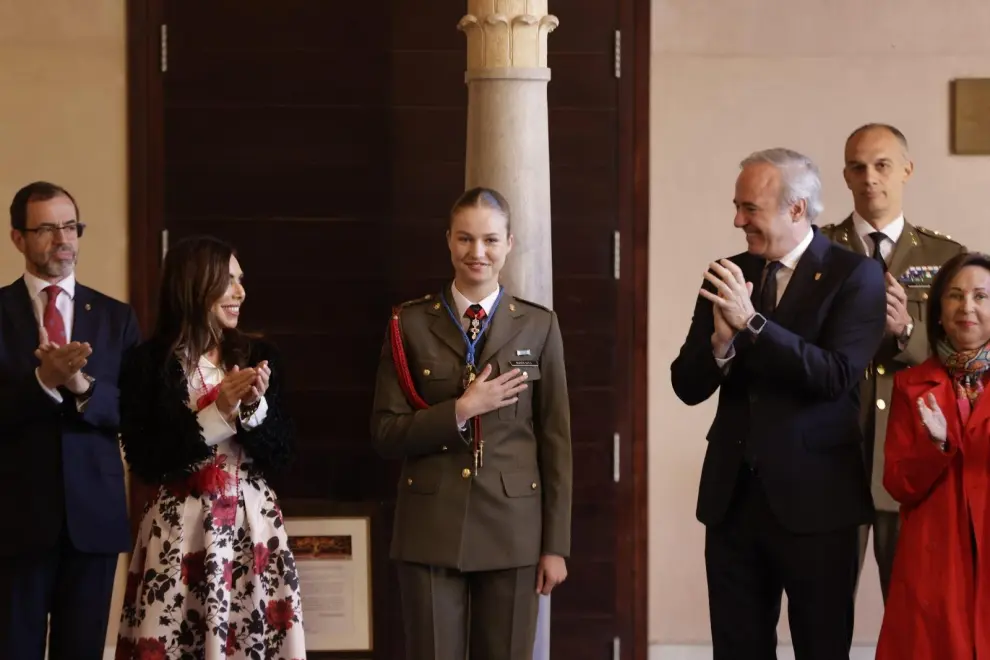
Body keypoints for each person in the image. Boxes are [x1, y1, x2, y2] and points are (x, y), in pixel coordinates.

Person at [670, 148, 887, 660]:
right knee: (737, 648)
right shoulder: (726, 273)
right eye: (737, 206)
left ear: (796, 210)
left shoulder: (854, 276)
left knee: (821, 647)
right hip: (733, 502)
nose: (737, 220)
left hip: (817, 503)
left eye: (750, 209)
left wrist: (753, 325)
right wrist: (720, 347)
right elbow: (686, 384)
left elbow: (834, 376)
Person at [370, 187, 572, 660]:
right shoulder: (409, 324)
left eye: (489, 240)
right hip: (430, 528)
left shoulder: (539, 326)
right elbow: (385, 433)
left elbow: (555, 440)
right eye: (465, 239)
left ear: (509, 244)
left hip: (514, 531)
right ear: (448, 241)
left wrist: (555, 545)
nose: (476, 253)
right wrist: (461, 410)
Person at [115, 236, 305, 659]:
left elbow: (284, 453)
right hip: (178, 531)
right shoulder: (147, 363)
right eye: (229, 280)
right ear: (194, 285)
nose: (241, 292)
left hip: (250, 525)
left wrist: (254, 408)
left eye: (241, 280)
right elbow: (146, 459)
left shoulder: (261, 354)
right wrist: (217, 411)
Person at [821, 123, 966, 599]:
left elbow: (963, 356)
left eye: (882, 165)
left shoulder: (946, 258)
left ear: (907, 170)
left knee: (912, 608)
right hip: (830, 451)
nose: (870, 178)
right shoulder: (816, 252)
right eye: (857, 167)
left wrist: (906, 330)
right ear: (844, 175)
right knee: (824, 613)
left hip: (908, 455)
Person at [0, 181, 140, 659]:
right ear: (18, 238)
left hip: (93, 518)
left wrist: (84, 389)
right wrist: (42, 382)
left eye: (70, 226)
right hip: (15, 520)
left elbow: (138, 414)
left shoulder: (115, 317)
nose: (63, 239)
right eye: (46, 229)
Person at [876, 251, 990, 659]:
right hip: (936, 559)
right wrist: (936, 446)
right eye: (955, 296)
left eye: (981, 296)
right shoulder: (912, 385)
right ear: (938, 311)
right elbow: (897, 483)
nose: (968, 307)